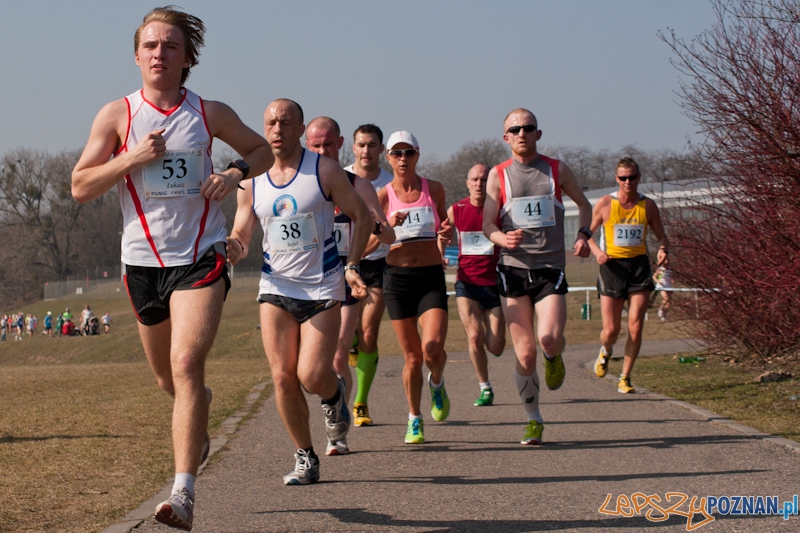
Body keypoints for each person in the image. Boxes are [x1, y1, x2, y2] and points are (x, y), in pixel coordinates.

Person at [71, 7, 273, 530]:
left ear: (187, 59)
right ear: (137, 55)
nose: (160, 54)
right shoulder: (117, 116)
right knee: (169, 379)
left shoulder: (209, 113)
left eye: (171, 47)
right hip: (141, 264)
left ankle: (183, 493)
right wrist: (129, 159)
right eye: (151, 46)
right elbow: (80, 186)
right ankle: (198, 414)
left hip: (200, 256)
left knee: (186, 364)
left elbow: (262, 150)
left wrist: (233, 173)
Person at [229, 99, 371, 483]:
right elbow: (242, 230)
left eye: (285, 122)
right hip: (275, 285)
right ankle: (305, 456)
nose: (277, 129)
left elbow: (362, 215)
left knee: (311, 375)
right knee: (281, 377)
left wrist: (353, 265)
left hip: (323, 285)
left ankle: (333, 395)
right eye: (271, 123)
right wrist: (234, 248)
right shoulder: (250, 180)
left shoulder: (322, 170)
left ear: (299, 128)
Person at [483, 108, 593, 445]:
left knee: (548, 339)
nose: (521, 134)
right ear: (506, 138)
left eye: (527, 128)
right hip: (513, 269)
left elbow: (584, 205)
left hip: (549, 269)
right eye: (514, 129)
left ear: (538, 134)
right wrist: (503, 238)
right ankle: (533, 419)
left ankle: (554, 355)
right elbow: (488, 224)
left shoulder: (556, 170)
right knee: (525, 352)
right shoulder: (498, 174)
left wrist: (583, 234)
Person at [304, 117, 395, 421]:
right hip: (308, 280)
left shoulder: (359, 185)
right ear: (307, 146)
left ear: (340, 144)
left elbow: (388, 234)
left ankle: (340, 418)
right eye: (316, 146)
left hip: (347, 278)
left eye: (328, 145)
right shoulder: (299, 186)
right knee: (308, 365)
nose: (322, 151)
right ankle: (335, 405)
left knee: (339, 354)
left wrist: (378, 226)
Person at [378, 130, 453, 444]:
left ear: (418, 155)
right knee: (412, 358)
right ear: (389, 158)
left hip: (430, 277)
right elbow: (369, 242)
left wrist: (446, 234)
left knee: (432, 349)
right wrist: (388, 229)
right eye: (397, 153)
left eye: (408, 153)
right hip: (397, 281)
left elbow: (444, 226)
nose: (403, 159)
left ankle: (437, 383)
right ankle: (414, 418)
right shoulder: (382, 196)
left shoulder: (433, 189)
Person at [587, 157, 669, 393]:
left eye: (632, 177)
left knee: (635, 326)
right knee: (611, 330)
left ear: (638, 178)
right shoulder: (604, 204)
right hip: (611, 267)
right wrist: (597, 252)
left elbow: (662, 236)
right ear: (616, 179)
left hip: (638, 268)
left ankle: (625, 377)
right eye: (623, 178)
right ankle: (606, 350)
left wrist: (663, 249)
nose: (628, 182)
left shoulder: (648, 206)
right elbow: (586, 234)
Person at [343, 124, 395, 427]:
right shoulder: (340, 178)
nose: (366, 151)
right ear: (353, 148)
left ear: (381, 149)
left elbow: (389, 231)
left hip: (377, 265)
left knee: (370, 334)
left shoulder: (390, 183)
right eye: (361, 145)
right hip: (344, 262)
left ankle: (360, 402)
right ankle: (351, 343)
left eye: (372, 145)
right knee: (348, 335)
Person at [444, 164, 506, 406]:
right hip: (466, 283)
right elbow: (441, 230)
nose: (479, 184)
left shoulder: (500, 209)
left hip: (494, 282)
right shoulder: (457, 209)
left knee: (495, 345)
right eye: (474, 180)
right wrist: (441, 249)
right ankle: (485, 387)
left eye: (483, 179)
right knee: (474, 335)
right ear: (467, 183)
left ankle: (496, 345)